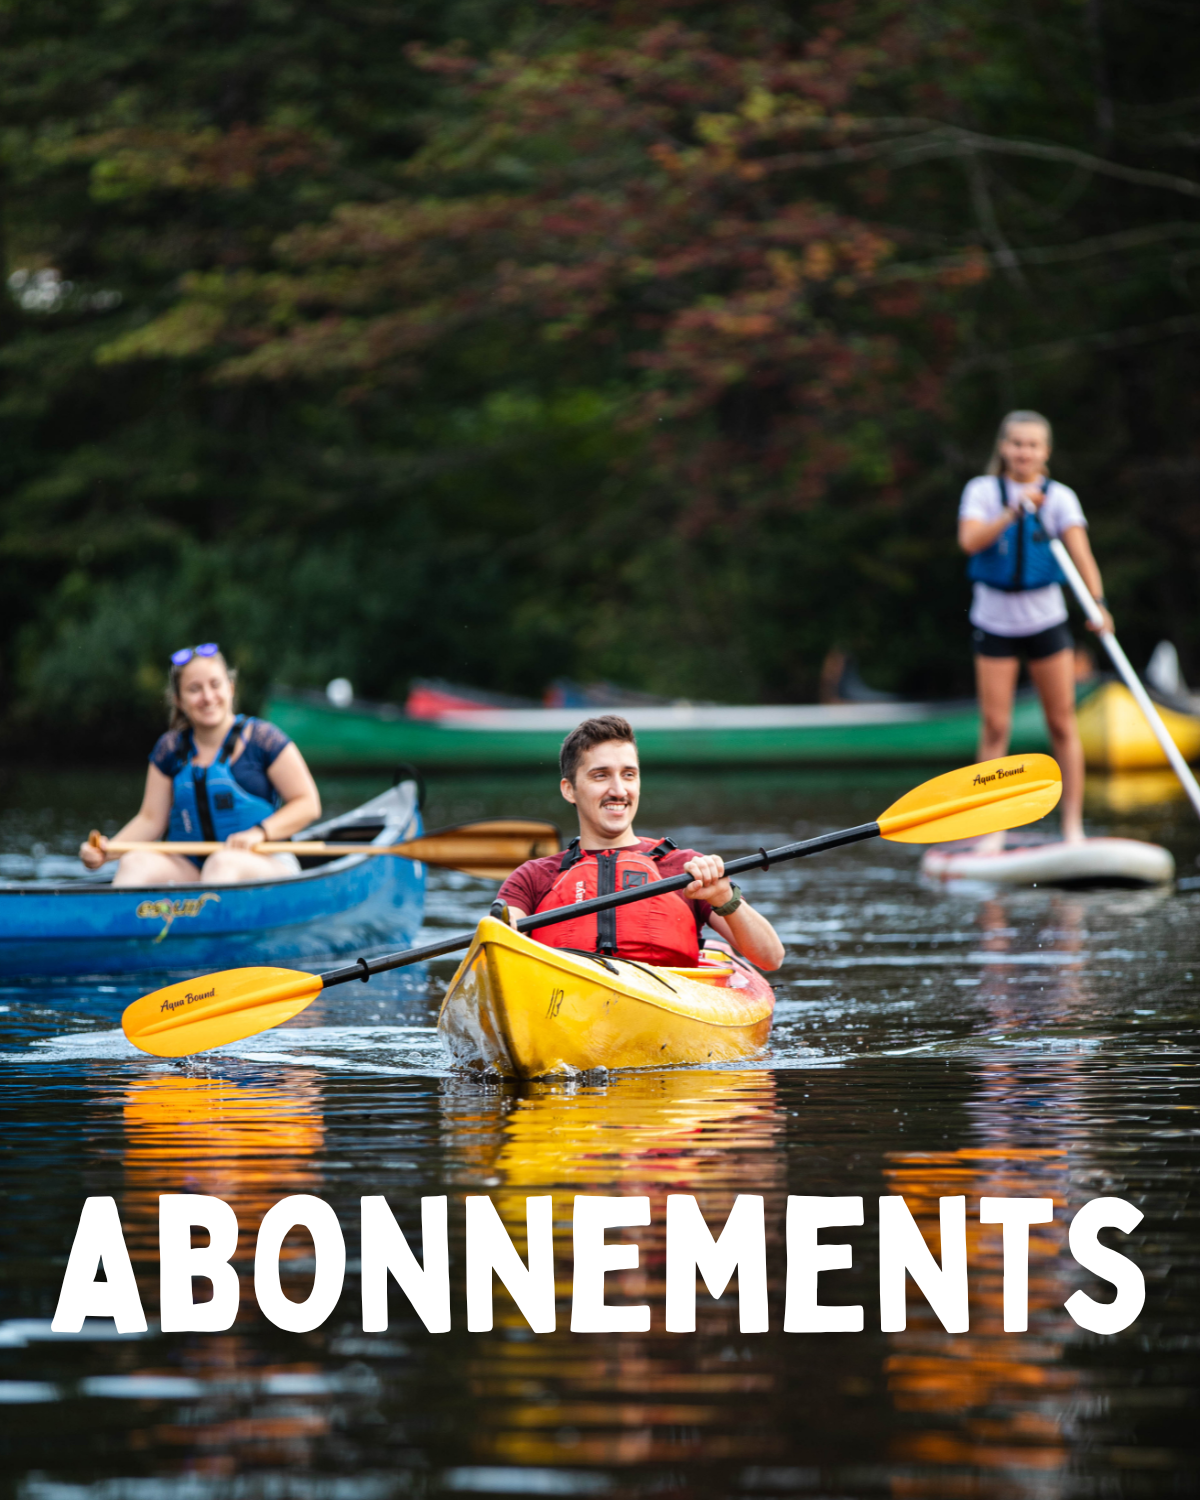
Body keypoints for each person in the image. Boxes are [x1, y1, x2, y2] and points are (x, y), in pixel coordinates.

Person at [495, 714, 785, 971]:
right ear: (569, 790)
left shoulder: (685, 869)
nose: (618, 790)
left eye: (628, 775)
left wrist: (723, 896)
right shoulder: (533, 878)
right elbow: (498, 957)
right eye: (601, 776)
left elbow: (771, 958)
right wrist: (503, 934)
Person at [958, 411, 1112, 844]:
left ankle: (1071, 826)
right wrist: (1011, 513)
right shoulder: (983, 491)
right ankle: (990, 828)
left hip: (1046, 621)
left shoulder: (1060, 497)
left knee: (1062, 724)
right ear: (1003, 448)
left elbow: (1083, 557)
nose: (1024, 452)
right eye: (1016, 444)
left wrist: (1098, 604)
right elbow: (970, 541)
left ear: (1046, 452)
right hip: (994, 623)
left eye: (1033, 445)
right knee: (994, 727)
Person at [79, 643, 322, 886]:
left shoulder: (263, 739)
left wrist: (260, 833)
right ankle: (127, 922)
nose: (207, 697)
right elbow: (151, 819)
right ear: (179, 700)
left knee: (222, 863)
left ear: (231, 688)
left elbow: (308, 804)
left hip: (266, 863)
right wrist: (107, 852)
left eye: (215, 685)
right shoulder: (169, 749)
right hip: (193, 870)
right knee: (135, 863)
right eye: (194, 689)